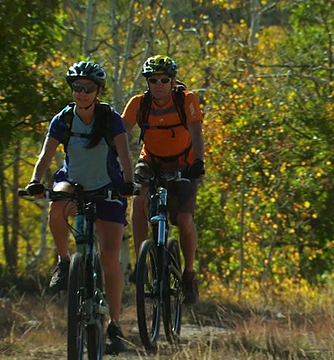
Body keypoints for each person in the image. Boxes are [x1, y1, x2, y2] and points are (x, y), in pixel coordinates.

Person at [25, 61, 133, 354]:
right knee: (56, 204)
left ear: (98, 91)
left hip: (108, 187)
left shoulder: (109, 118)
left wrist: (129, 182)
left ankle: (114, 323)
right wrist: (35, 181)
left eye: (87, 89)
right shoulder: (64, 118)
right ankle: (63, 262)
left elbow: (124, 152)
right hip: (74, 183)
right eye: (77, 88)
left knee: (110, 257)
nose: (81, 93)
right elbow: (46, 153)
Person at [121, 55, 205, 305]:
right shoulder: (138, 103)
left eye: (164, 80)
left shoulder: (186, 100)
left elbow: (196, 132)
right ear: (147, 82)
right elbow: (120, 133)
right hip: (151, 160)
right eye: (153, 80)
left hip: (183, 162)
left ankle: (189, 273)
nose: (158, 85)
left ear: (173, 81)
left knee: (183, 219)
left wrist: (198, 163)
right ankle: (141, 263)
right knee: (138, 202)